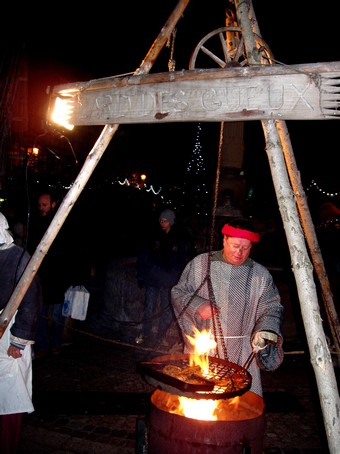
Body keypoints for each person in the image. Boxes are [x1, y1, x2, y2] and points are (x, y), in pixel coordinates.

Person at [171, 217, 284, 398]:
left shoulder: (260, 275)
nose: (239, 252)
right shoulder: (200, 264)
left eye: (245, 248)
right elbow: (178, 292)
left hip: (242, 349)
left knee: (239, 406)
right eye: (235, 246)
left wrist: (266, 330)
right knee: (201, 401)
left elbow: (271, 306)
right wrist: (198, 305)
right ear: (224, 240)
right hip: (204, 349)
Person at [0, 212, 43, 453]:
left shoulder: (17, 258)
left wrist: (18, 341)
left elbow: (30, 300)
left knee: (9, 394)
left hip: (8, 337)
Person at [135, 208, 194, 348]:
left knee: (165, 310)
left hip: (168, 280)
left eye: (165, 220)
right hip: (153, 278)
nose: (162, 222)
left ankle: (161, 336)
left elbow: (181, 260)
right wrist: (142, 275)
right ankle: (145, 333)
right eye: (161, 220)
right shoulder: (153, 236)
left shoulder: (180, 238)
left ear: (171, 221)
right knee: (149, 307)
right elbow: (144, 256)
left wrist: (177, 278)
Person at [26, 191, 71, 358]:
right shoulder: (36, 224)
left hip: (58, 278)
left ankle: (56, 344)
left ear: (53, 204)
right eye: (39, 205)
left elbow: (67, 252)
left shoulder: (61, 224)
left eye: (44, 204)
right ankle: (43, 346)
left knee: (58, 314)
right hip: (41, 278)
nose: (41, 208)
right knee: (41, 314)